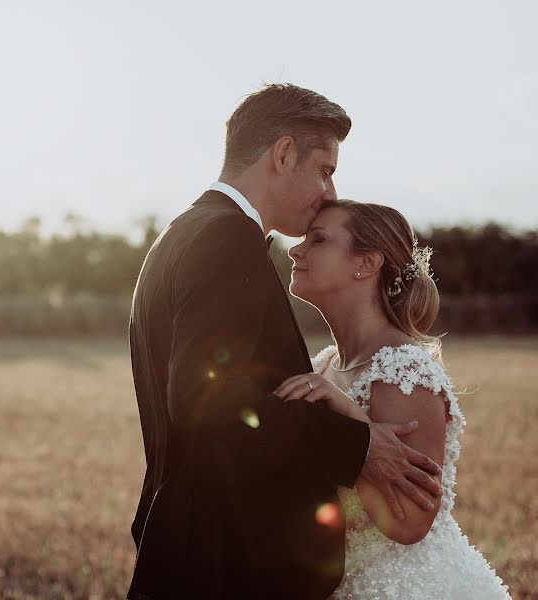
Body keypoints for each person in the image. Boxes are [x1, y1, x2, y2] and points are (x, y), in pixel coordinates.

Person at [127, 84, 442, 600]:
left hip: (197, 549)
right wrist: (359, 445)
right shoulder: (226, 239)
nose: (330, 192)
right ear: (283, 154)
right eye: (325, 169)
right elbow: (207, 402)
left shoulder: (183, 231)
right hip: (227, 563)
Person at [276, 200, 511, 598]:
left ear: (366, 264)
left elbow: (409, 523)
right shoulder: (323, 365)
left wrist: (349, 414)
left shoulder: (404, 371)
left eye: (318, 240)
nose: (294, 250)